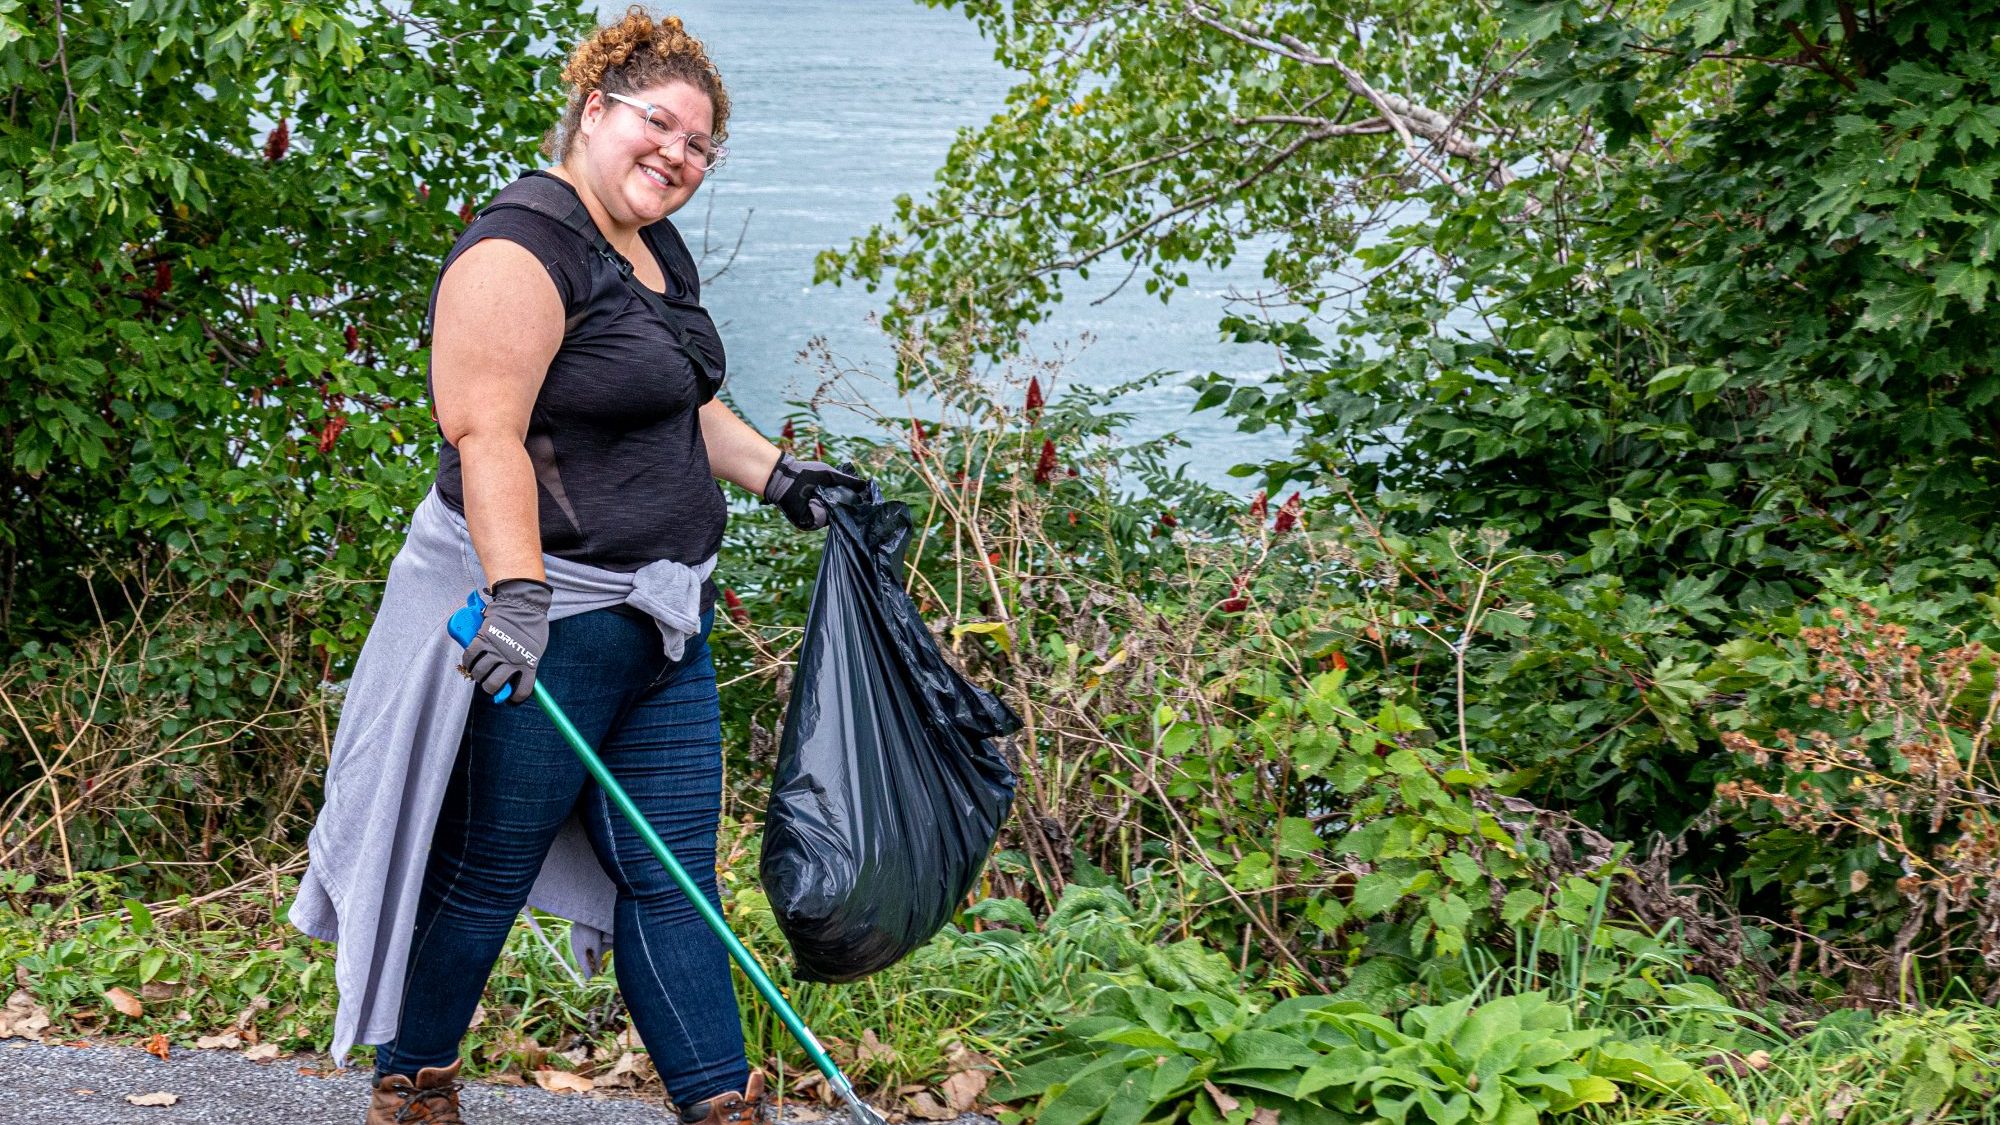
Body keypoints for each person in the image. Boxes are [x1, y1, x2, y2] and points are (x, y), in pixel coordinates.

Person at [332, 9, 865, 1124]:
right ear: (593, 110)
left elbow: (677, 401)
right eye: (658, 125)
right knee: (485, 868)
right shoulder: (516, 252)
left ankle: (719, 1103)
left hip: (662, 621)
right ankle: (412, 1083)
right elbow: (485, 433)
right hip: (555, 619)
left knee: (672, 877)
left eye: (699, 145)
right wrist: (518, 599)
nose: (677, 155)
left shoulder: (649, 249)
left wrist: (781, 478)